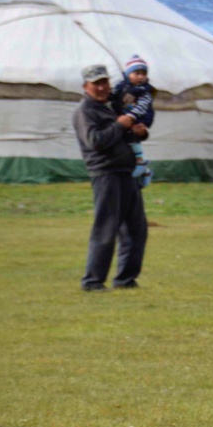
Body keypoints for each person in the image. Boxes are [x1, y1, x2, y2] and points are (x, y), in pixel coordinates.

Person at [74, 64, 149, 292]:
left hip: (127, 173)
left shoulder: (112, 106)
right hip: (106, 174)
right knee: (106, 229)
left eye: (104, 82)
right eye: (96, 83)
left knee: (136, 230)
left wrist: (138, 132)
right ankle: (93, 281)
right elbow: (96, 141)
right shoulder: (85, 112)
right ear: (86, 86)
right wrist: (119, 125)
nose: (102, 87)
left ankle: (126, 279)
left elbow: (124, 135)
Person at [112, 55, 155, 188]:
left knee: (132, 139)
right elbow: (114, 99)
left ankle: (141, 162)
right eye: (137, 73)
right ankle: (145, 172)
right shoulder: (120, 87)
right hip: (123, 121)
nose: (141, 77)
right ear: (128, 74)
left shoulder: (145, 91)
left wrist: (131, 117)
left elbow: (142, 107)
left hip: (138, 119)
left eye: (143, 74)